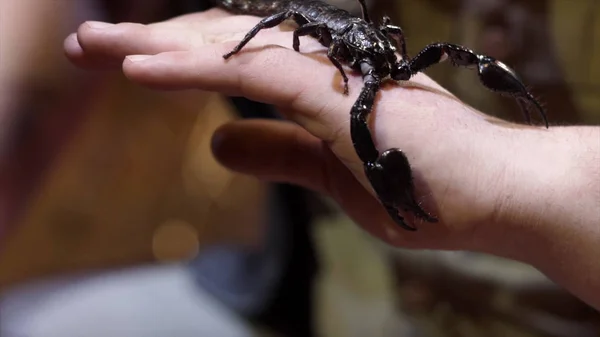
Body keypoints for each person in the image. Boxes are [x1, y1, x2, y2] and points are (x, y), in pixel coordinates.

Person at [63, 8, 600, 310]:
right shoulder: (342, 48)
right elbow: (309, 35)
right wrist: (335, 66)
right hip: (351, 296)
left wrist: (523, 181)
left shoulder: (387, 54)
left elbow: (408, 50)